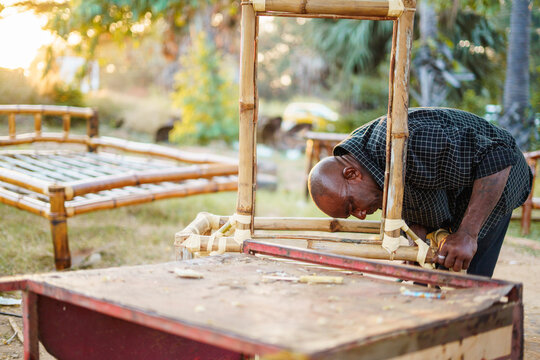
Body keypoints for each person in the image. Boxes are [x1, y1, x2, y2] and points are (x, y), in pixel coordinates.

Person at [308, 107, 532, 277]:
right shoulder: (365, 160)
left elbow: (498, 157)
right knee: (425, 273)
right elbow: (415, 188)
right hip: (454, 185)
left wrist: (467, 233)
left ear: (352, 174)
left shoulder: (409, 143)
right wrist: (416, 236)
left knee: (467, 272)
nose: (361, 215)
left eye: (351, 206)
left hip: (502, 172)